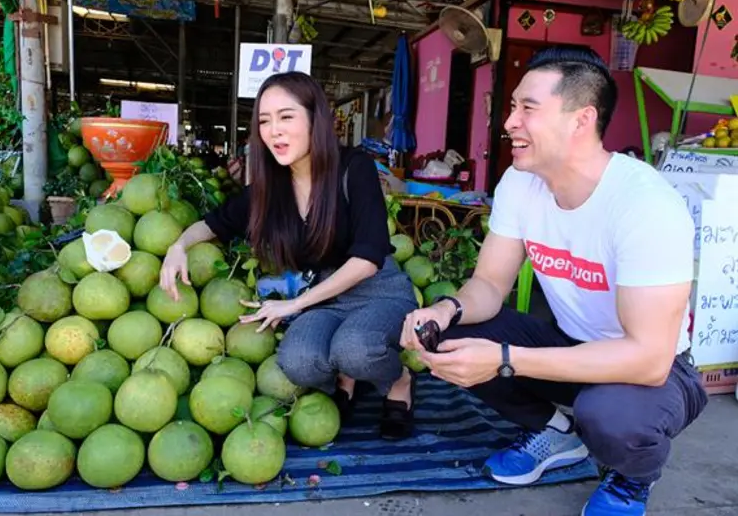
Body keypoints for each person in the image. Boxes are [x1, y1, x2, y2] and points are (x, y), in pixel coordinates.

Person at [399, 46, 708, 515]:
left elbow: (648, 359)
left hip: (657, 372)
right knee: (449, 336)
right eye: (512, 107)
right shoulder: (520, 184)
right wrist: (444, 311)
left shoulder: (645, 205)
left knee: (608, 415)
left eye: (528, 108)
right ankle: (555, 434)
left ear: (581, 120)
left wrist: (505, 359)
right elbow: (487, 285)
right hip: (570, 344)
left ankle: (630, 479)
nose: (509, 123)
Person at [160, 71, 419, 440]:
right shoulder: (269, 189)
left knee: (357, 348)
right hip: (324, 299)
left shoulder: (354, 168)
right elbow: (212, 224)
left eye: (286, 116)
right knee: (299, 363)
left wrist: (292, 306)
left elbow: (368, 258)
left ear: (316, 118)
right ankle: (346, 374)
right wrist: (177, 248)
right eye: (264, 121)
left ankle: (398, 381)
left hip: (376, 289)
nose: (274, 131)